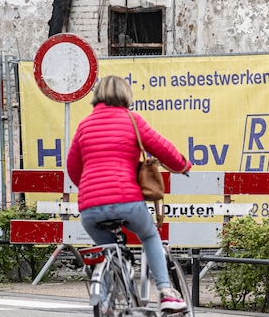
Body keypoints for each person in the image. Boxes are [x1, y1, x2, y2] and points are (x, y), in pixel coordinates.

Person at [66, 75, 192, 312]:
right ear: (126, 95)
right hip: (127, 201)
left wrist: (89, 191)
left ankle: (104, 303)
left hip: (90, 209)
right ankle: (165, 291)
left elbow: (73, 168)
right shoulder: (132, 120)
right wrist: (182, 166)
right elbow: (162, 148)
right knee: (150, 236)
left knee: (108, 252)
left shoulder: (84, 125)